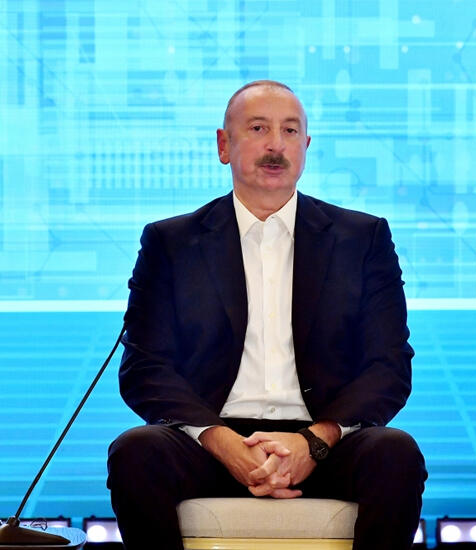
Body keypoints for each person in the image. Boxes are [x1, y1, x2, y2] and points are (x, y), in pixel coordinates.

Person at [107, 80, 427, 550]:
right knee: (136, 451)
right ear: (224, 145)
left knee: (395, 452)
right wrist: (223, 443)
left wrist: (313, 443)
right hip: (211, 441)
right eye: (258, 128)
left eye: (290, 131)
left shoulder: (362, 239)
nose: (276, 145)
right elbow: (145, 367)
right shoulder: (171, 243)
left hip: (326, 442)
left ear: (306, 147)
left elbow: (389, 367)